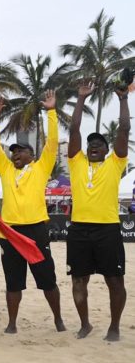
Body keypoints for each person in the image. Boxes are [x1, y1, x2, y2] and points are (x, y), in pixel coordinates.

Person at [0, 92, 65, 334]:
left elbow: (52, 143)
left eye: (20, 151)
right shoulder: (7, 170)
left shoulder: (40, 168)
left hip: (36, 231)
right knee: (13, 281)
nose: (15, 154)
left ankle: (58, 320)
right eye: (13, 152)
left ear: (31, 155)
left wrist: (51, 112)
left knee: (47, 280)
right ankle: (12, 323)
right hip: (10, 232)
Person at [67, 82, 130, 341]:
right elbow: (73, 129)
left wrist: (124, 99)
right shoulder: (76, 162)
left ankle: (114, 326)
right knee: (78, 282)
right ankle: (85, 324)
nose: (94, 145)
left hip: (107, 229)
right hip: (79, 229)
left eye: (100, 143)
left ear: (107, 151)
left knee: (114, 281)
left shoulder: (115, 164)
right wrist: (81, 99)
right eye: (91, 143)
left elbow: (125, 128)